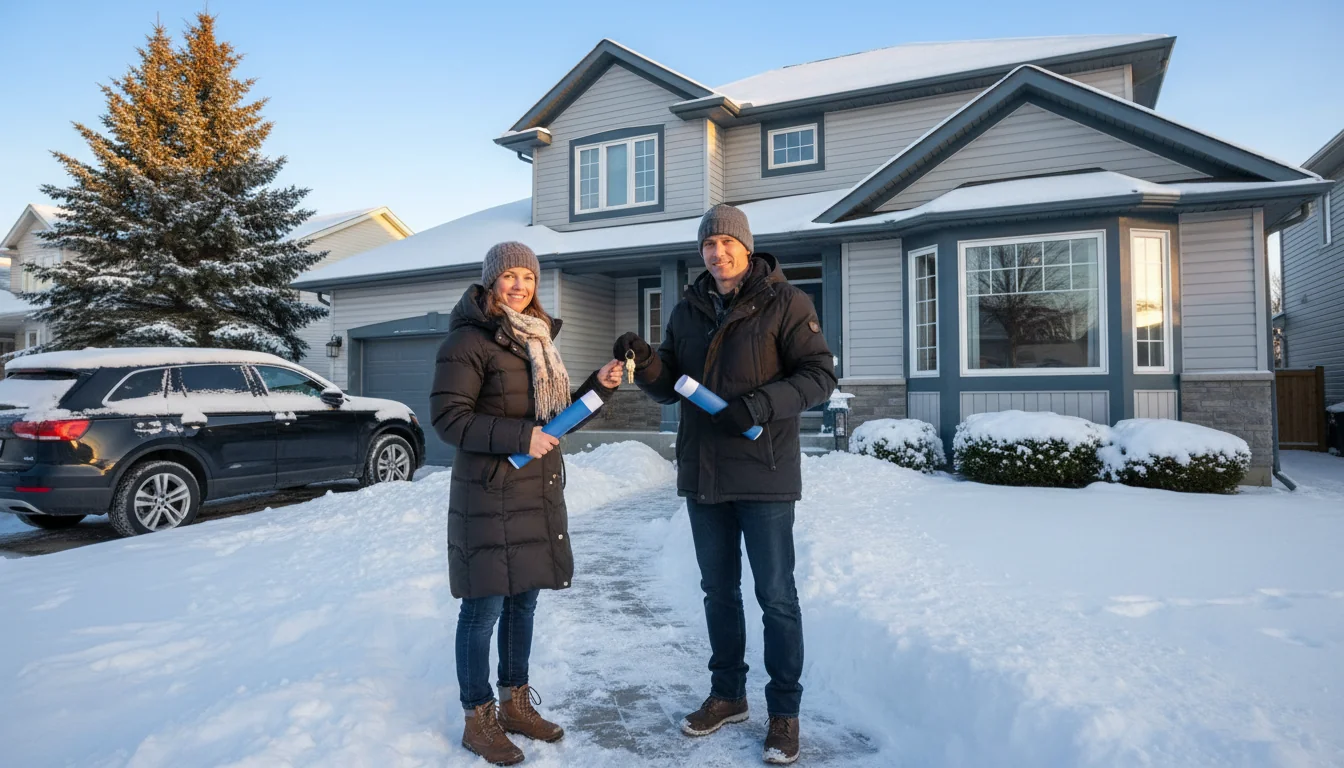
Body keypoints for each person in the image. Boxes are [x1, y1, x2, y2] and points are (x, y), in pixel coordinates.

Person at [615, 204, 836, 765]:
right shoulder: (688, 309)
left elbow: (819, 377)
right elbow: (671, 383)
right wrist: (646, 363)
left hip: (764, 471)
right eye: (708, 245)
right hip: (704, 472)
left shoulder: (787, 302)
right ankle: (728, 695)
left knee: (776, 598)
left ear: (746, 246)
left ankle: (783, 712)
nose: (717, 253)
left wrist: (759, 404)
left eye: (726, 243)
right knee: (718, 592)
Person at [431, 241, 625, 766]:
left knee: (524, 602)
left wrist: (599, 388)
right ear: (492, 280)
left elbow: (552, 420)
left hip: (534, 490)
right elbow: (449, 420)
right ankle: (478, 718)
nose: (520, 285)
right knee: (484, 605)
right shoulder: (468, 340)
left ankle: (516, 703)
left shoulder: (536, 341)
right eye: (510, 276)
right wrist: (520, 437)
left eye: (529, 278)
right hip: (488, 489)